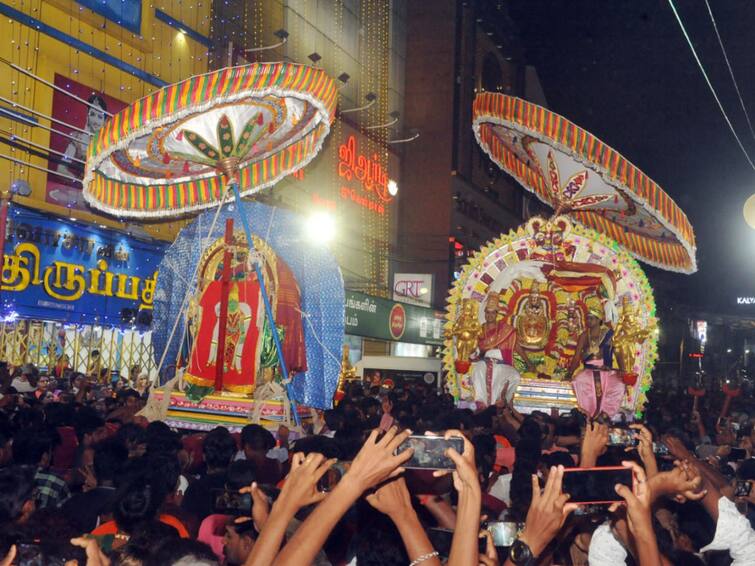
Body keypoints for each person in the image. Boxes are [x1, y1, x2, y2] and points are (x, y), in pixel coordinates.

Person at [470, 292, 535, 407]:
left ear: (497, 314)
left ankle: (505, 403)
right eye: (487, 313)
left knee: (515, 376)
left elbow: (516, 346)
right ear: (485, 314)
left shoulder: (505, 329)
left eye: (493, 313)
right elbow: (474, 349)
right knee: (478, 369)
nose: (490, 315)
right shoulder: (479, 330)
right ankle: (481, 403)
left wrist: (528, 362)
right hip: (484, 363)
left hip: (502, 364)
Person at [567, 296, 626, 418]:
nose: (588, 321)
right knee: (578, 380)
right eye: (587, 318)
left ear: (599, 320)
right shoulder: (584, 336)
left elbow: (618, 352)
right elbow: (577, 356)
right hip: (589, 371)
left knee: (619, 385)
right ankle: (588, 415)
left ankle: (605, 416)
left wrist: (623, 370)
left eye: (592, 318)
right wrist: (570, 373)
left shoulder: (609, 334)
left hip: (607, 371)